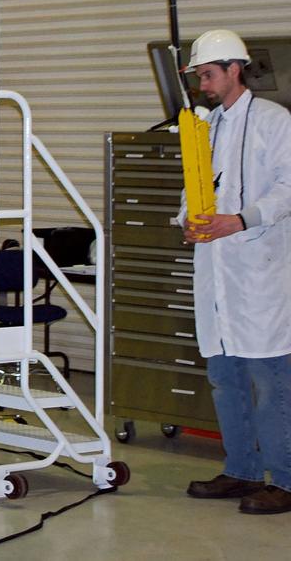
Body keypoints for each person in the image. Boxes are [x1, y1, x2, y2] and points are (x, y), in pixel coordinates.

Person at [179, 29, 291, 515]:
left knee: (270, 383)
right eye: (198, 76)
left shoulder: (274, 121)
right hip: (217, 274)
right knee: (224, 380)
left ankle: (285, 480)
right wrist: (187, 220)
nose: (202, 85)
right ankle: (241, 470)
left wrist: (242, 220)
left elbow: (288, 187)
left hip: (260, 272)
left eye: (208, 74)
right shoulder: (204, 128)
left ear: (234, 69)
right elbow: (197, 187)